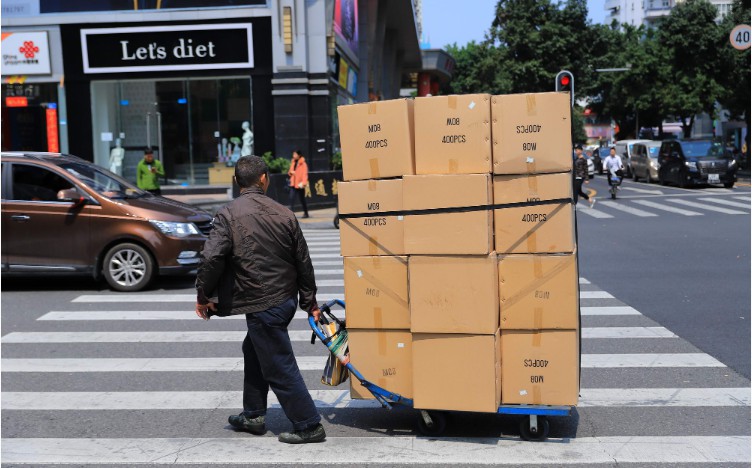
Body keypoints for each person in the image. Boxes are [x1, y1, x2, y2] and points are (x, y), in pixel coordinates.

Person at [195, 156, 325, 444]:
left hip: (262, 303)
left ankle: (309, 424)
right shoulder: (285, 213)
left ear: (236, 181)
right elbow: (303, 261)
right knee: (254, 348)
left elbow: (211, 257)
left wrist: (204, 295)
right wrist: (310, 303)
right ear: (264, 178)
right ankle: (253, 414)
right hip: (284, 300)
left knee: (277, 362)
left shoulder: (228, 214)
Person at [287, 150, 309, 218]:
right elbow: (289, 171)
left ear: (299, 155)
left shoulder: (303, 164)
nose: (293, 155)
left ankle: (306, 213)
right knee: (291, 198)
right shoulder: (293, 162)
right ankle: (290, 214)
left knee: (302, 199)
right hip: (293, 183)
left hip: (300, 184)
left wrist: (304, 183)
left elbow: (305, 174)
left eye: (295, 154)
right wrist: (291, 172)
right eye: (293, 154)